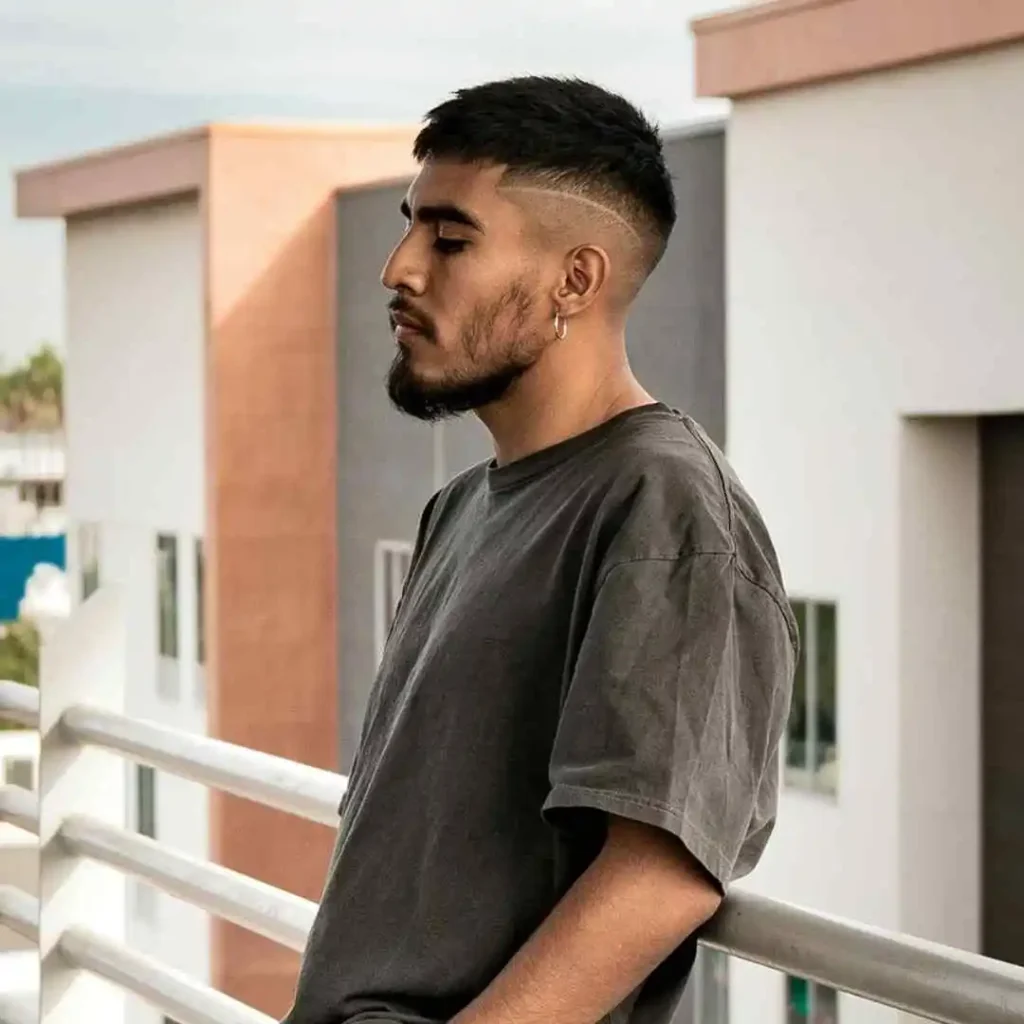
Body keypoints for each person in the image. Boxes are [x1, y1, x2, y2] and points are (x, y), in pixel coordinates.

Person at [283, 76, 796, 1024]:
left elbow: (659, 876)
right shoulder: (461, 507)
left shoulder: (668, 509)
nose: (398, 268)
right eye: (409, 227)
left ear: (576, 278)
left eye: (449, 237)